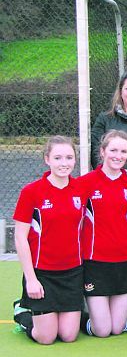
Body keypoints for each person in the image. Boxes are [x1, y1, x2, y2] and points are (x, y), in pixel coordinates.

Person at [13, 136, 84, 344]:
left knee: (69, 335)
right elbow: (20, 237)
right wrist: (31, 279)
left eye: (69, 158)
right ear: (47, 159)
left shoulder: (80, 188)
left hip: (72, 272)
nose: (64, 163)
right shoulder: (31, 192)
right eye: (58, 158)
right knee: (46, 338)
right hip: (42, 274)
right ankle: (22, 314)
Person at [79, 130, 127, 337]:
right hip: (95, 262)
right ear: (102, 152)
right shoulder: (85, 183)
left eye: (123, 151)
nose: (117, 155)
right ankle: (79, 317)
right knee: (102, 331)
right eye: (113, 150)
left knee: (117, 329)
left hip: (124, 262)